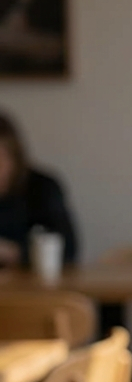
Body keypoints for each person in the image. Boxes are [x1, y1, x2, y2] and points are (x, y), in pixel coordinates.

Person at [0, 110, 78, 268]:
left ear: (14, 156)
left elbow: (68, 250)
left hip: (34, 288)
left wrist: (12, 252)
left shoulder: (42, 187)